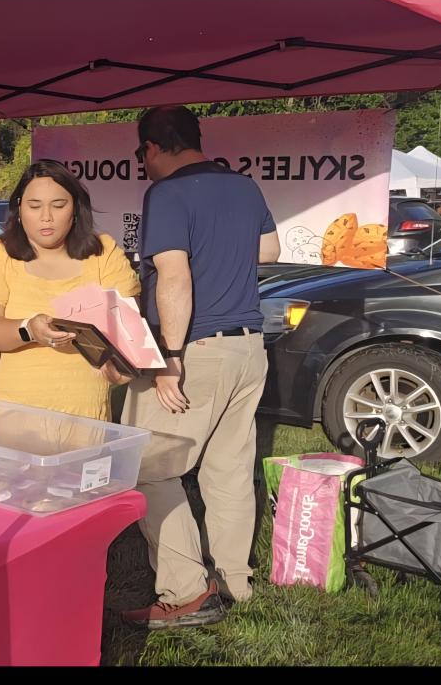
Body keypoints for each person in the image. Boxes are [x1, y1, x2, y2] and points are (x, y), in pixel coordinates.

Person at [120, 105, 281, 630]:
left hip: (195, 349)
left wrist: (170, 358)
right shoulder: (244, 187)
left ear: (151, 147)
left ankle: (187, 592)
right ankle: (235, 582)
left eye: (142, 153)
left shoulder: (166, 193)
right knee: (229, 469)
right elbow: (269, 250)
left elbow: (174, 277)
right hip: (248, 346)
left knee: (147, 467)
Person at [0, 160, 140, 421]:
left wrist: (121, 363)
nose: (46, 217)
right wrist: (29, 329)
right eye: (34, 206)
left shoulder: (103, 251)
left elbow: (130, 329)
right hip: (11, 419)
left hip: (87, 417)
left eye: (59, 205)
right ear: (19, 209)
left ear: (76, 209)